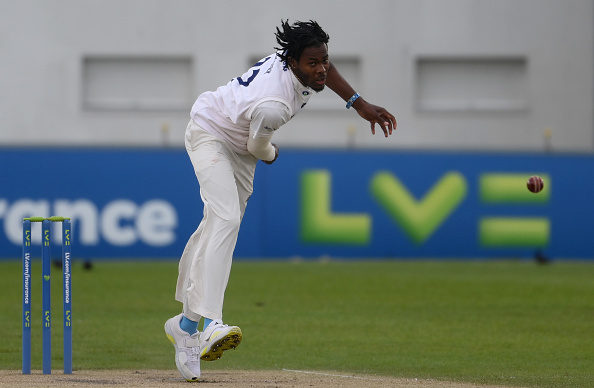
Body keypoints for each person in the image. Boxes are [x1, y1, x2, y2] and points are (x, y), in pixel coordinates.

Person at [164, 19, 397, 382]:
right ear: (292, 62)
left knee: (218, 223)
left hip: (240, 145)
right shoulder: (274, 103)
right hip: (210, 133)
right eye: (312, 63)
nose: (320, 69)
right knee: (225, 220)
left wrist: (358, 103)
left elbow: (325, 70)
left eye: (324, 60)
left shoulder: (298, 61)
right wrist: (272, 155)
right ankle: (211, 324)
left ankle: (185, 325)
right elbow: (259, 147)